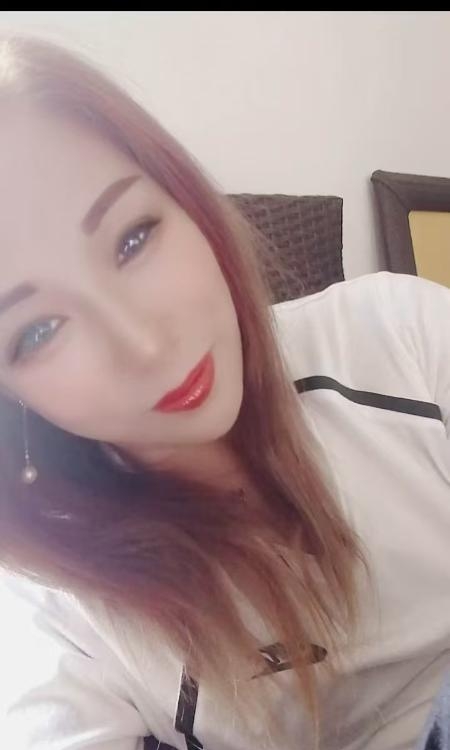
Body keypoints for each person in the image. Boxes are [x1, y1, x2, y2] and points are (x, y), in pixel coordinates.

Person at [0, 33, 448, 750]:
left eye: (132, 239)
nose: (145, 346)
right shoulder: (51, 608)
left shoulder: (402, 340)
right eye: (37, 331)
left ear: (188, 201)